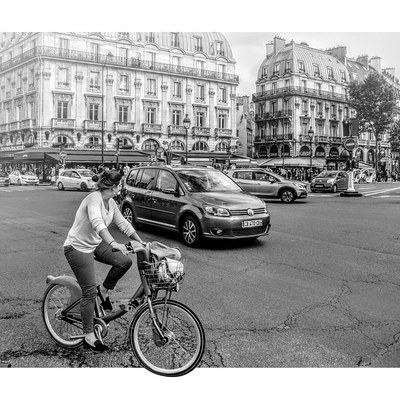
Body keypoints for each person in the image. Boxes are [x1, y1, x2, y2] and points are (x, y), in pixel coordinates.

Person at [63, 170, 145, 352]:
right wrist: (114, 242)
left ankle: (105, 290)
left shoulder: (111, 202)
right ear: (113, 186)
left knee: (124, 261)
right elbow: (97, 223)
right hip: (77, 247)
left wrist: (140, 242)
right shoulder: (94, 199)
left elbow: (123, 223)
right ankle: (88, 335)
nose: (120, 188)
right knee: (89, 292)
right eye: (119, 185)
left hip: (95, 243)